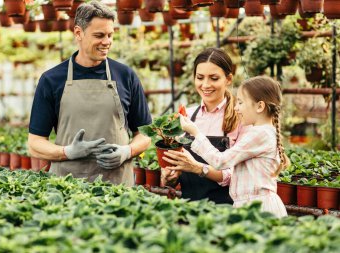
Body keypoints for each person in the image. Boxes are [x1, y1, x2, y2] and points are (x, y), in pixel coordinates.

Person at [27, 1, 151, 186]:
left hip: (118, 190)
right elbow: (35, 144)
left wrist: (127, 151)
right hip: (67, 188)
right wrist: (67, 152)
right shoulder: (51, 80)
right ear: (78, 33)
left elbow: (145, 133)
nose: (107, 42)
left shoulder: (126, 76)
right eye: (99, 35)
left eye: (110, 35)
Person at [165, 76, 289, 218]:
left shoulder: (259, 134)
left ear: (260, 106)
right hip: (251, 207)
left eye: (241, 103)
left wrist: (196, 132)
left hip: (259, 210)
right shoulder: (262, 132)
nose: (236, 108)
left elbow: (221, 161)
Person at [162, 48, 241, 204]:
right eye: (200, 77)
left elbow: (237, 175)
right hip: (189, 208)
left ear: (229, 79)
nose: (205, 85)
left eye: (214, 78)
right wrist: (171, 177)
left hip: (226, 210)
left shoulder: (240, 118)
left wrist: (197, 168)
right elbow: (176, 169)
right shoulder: (187, 117)